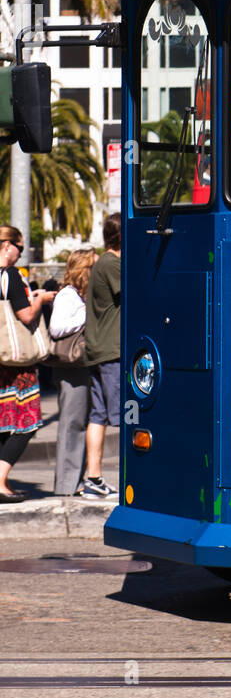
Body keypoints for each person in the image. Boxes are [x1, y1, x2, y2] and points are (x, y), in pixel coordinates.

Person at [0, 225, 55, 503]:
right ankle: (0, 481)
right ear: (8, 246)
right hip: (16, 363)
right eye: (20, 248)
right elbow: (24, 315)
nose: (20, 254)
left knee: (3, 422)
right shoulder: (9, 274)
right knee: (27, 422)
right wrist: (41, 298)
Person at [50, 249, 97, 497]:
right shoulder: (67, 296)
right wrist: (86, 314)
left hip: (83, 366)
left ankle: (78, 480)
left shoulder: (82, 295)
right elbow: (57, 328)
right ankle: (67, 485)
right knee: (72, 423)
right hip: (71, 368)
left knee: (82, 422)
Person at [80, 213, 121, 499]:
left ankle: (92, 478)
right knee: (122, 416)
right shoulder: (112, 264)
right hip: (111, 349)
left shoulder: (100, 264)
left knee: (98, 414)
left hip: (98, 348)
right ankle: (136, 479)